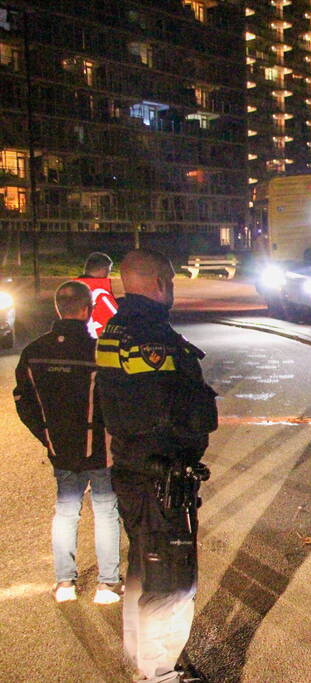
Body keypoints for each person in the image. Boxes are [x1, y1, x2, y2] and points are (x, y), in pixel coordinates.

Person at [96, 249, 217, 683]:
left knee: (145, 568)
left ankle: (143, 660)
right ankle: (159, 671)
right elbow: (167, 404)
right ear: (161, 282)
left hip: (131, 467)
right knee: (172, 578)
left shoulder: (115, 327)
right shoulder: (153, 336)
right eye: (171, 280)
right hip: (160, 470)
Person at [14, 281, 122, 605]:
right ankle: (107, 585)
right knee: (105, 512)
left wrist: (46, 435)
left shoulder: (33, 352)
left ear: (58, 308)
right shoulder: (99, 351)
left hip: (61, 447)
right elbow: (115, 401)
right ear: (88, 310)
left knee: (66, 511)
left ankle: (64, 584)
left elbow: (24, 401)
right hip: (99, 447)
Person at [76, 251, 118, 339]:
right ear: (103, 270)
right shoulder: (101, 294)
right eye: (108, 271)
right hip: (97, 345)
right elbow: (117, 319)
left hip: (76, 339)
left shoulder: (72, 290)